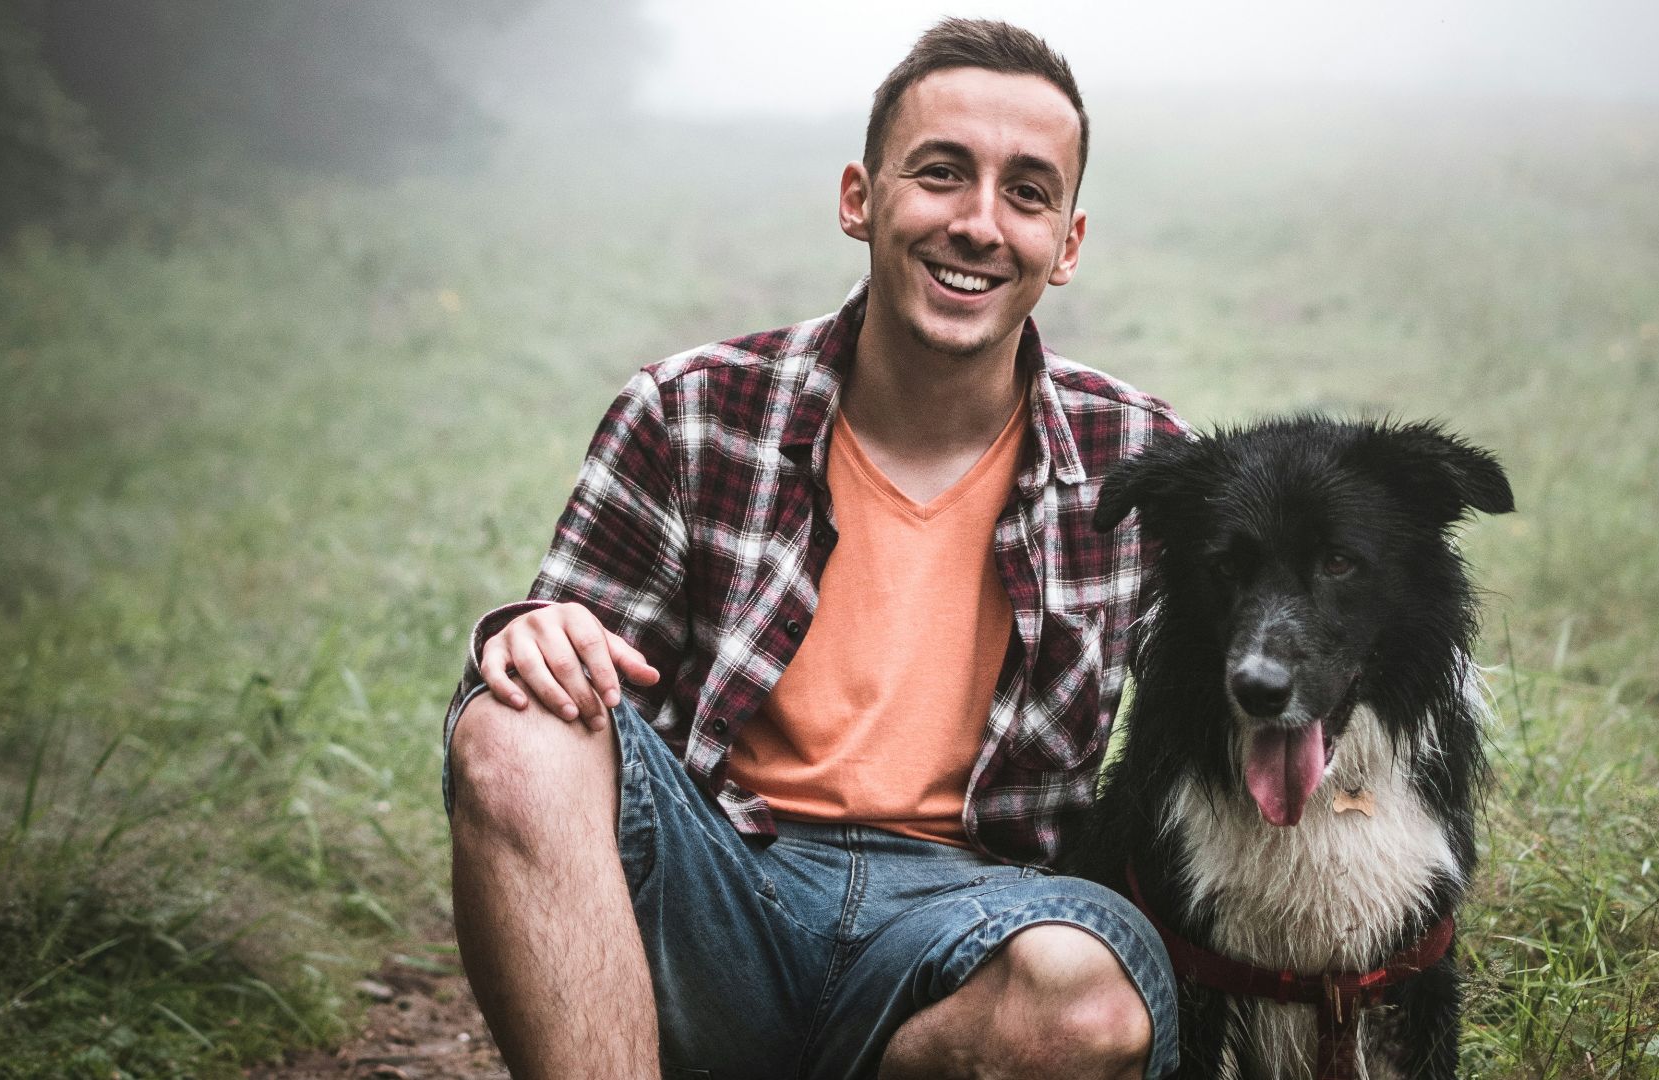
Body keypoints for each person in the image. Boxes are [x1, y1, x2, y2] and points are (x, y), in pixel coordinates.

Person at [443, 18, 1185, 1080]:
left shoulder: (1144, 462)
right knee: (514, 732)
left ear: (1066, 244)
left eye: (1027, 192)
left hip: (975, 918)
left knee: (1083, 1002)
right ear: (860, 198)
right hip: (722, 884)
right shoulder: (693, 409)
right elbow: (579, 686)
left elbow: (1238, 720)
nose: (979, 223)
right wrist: (541, 637)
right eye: (940, 174)